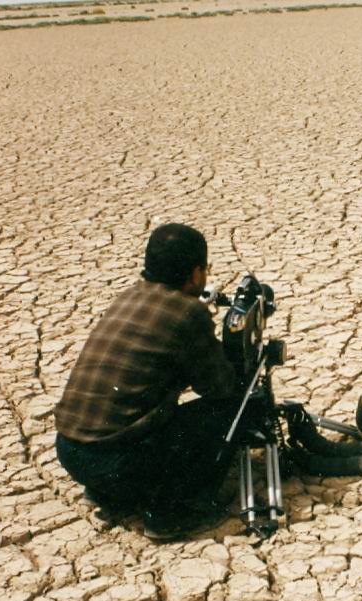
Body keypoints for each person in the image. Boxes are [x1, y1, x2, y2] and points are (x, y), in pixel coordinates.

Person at [55, 223, 242, 540]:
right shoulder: (188, 312)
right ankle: (168, 513)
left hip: (70, 450)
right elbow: (219, 388)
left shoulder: (129, 296)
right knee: (230, 415)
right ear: (196, 273)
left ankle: (109, 494)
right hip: (116, 461)